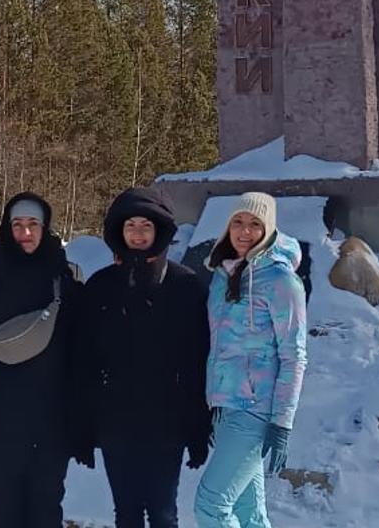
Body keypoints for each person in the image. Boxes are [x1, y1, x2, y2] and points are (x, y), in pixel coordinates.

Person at [75, 187, 211, 528]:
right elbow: (84, 362)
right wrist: (83, 424)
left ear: (159, 230)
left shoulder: (186, 285)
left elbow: (198, 360)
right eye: (130, 226)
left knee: (163, 512)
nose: (137, 234)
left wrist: (197, 424)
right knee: (127, 512)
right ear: (118, 232)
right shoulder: (100, 286)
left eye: (145, 226)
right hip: (115, 420)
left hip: (166, 420)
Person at [0, 192, 82, 528]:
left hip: (51, 419)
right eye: (18, 225)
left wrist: (79, 413)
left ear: (46, 228)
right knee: (4, 508)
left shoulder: (62, 278)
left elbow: (79, 349)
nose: (25, 233)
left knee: (46, 507)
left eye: (33, 225)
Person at [194, 193, 308, 528]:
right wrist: (213, 400)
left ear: (269, 229)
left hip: (255, 409)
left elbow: (294, 354)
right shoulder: (221, 275)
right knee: (250, 514)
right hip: (225, 407)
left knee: (211, 506)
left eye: (255, 224)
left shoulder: (281, 280)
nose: (245, 232)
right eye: (238, 223)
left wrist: (282, 421)